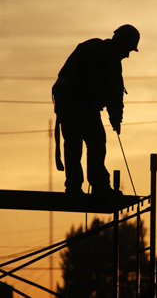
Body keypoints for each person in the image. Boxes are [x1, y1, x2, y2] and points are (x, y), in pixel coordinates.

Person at [52, 24, 140, 196]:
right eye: (128, 49)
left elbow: (114, 95)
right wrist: (114, 116)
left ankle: (75, 187)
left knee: (77, 143)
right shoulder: (103, 57)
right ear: (120, 43)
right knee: (93, 141)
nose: (128, 55)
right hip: (74, 102)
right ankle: (95, 185)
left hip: (72, 103)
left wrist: (116, 117)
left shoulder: (102, 54)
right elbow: (112, 94)